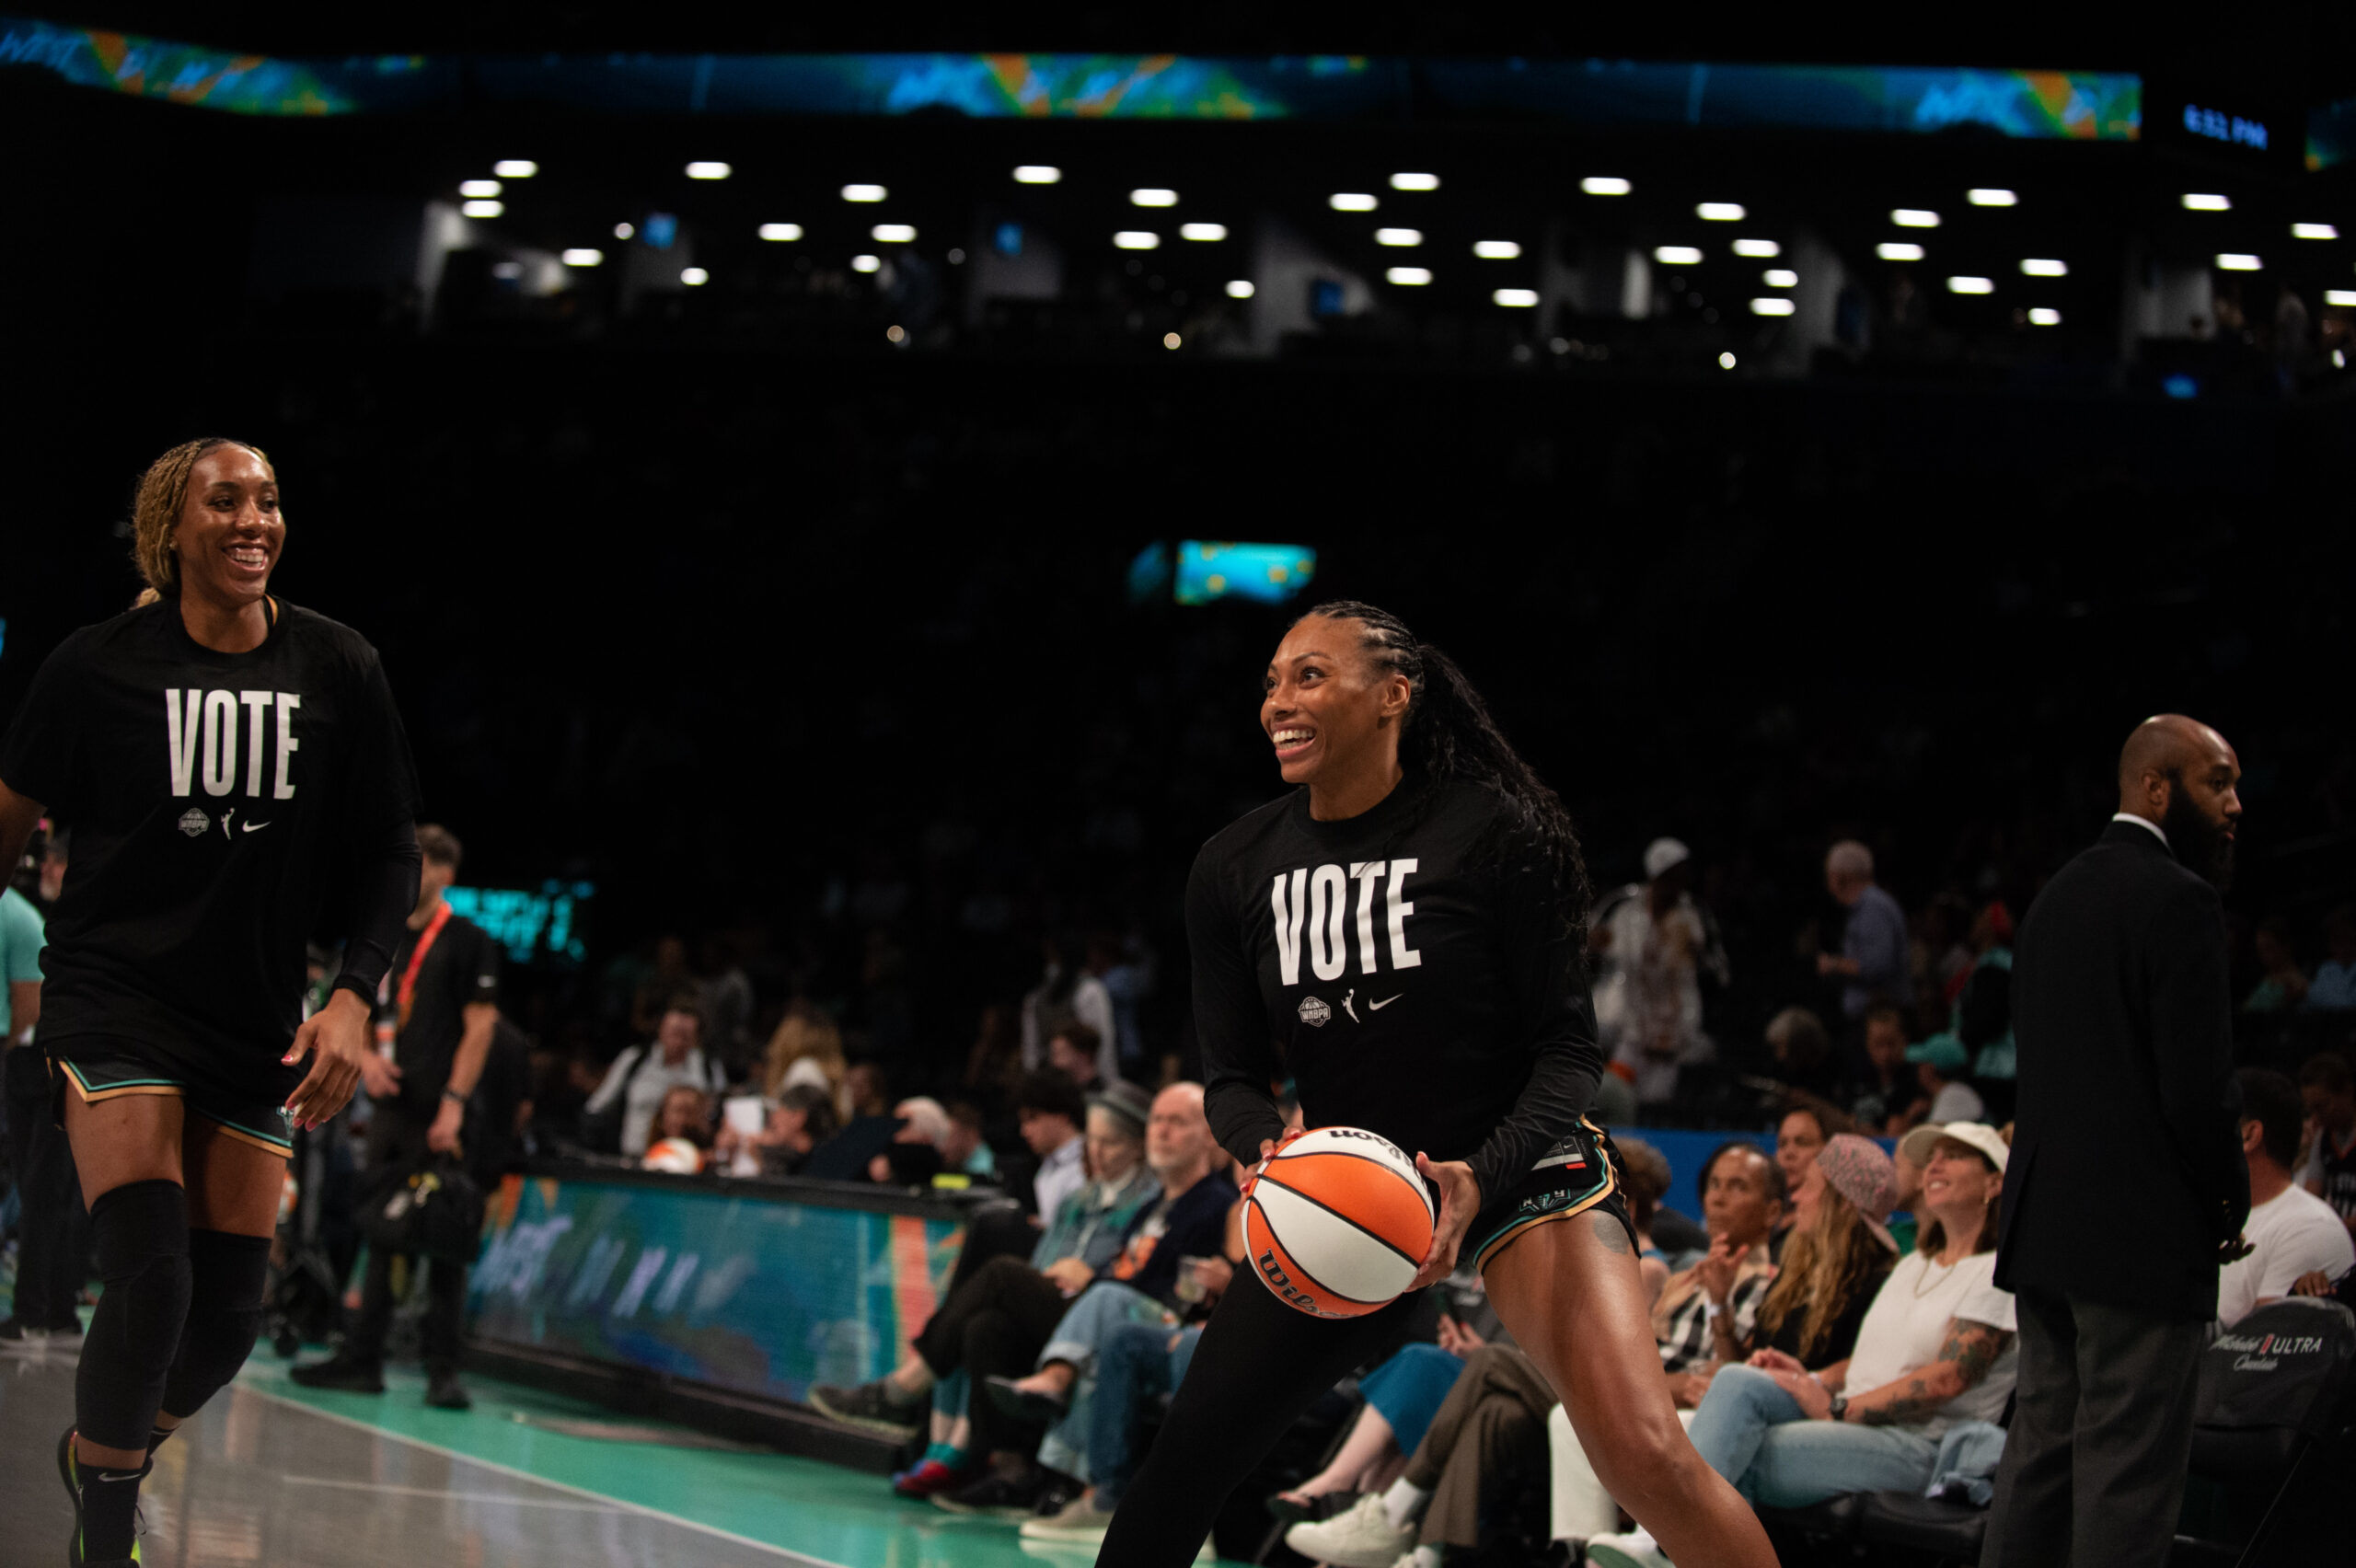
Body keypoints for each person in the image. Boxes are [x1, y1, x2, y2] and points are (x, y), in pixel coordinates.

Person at [1096, 601, 1778, 1568]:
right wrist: (1265, 1154)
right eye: (1271, 682)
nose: (1278, 703)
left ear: (1393, 697)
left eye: (1310, 676)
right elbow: (1234, 1077)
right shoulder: (1232, 866)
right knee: (1184, 1466)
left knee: (1646, 1455)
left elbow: (1569, 1053)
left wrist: (1479, 1174)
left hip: (1522, 1170)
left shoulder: (1492, 832)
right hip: (1351, 1193)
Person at [0, 437, 421, 1566]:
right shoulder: (92, 668)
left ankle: (103, 1452)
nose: (255, 519)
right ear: (168, 531)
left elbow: (390, 851)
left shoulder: (339, 668)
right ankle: (103, 1535)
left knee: (227, 1322)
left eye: (270, 500)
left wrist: (351, 1000)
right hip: (113, 996)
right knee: (151, 1275)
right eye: (225, 500)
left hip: (250, 1016)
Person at [1982, 715, 2251, 1568]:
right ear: (2155, 787)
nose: (2236, 803)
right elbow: (2196, 1090)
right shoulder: (2181, 900)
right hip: (2138, 1241)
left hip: (2046, 1233)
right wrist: (2225, 1199)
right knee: (2127, 1476)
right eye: (2219, 782)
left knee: (2040, 1458)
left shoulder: (2053, 899)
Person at [1587, 1124, 2016, 1568]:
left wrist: (1839, 1407)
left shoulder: (1995, 1274)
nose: (1937, 1164)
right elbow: (1869, 1361)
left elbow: (1948, 1378)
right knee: (1740, 1380)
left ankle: (1662, 1547)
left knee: (1736, 1455)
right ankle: (1657, 1545)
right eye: (1934, 1156)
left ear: (1995, 1181)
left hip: (1922, 1444)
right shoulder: (1914, 1266)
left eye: (1957, 1155)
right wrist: (1804, 1378)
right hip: (1855, 1421)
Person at [810, 1083, 1160, 1495]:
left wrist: (1090, 1273)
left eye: (1111, 1143)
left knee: (999, 1273)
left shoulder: (1149, 1201)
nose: (1098, 1153)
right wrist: (1047, 1275)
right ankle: (996, 1468)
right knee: (984, 1324)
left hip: (1094, 1313)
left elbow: (1138, 1269)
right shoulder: (1077, 1200)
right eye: (1095, 1142)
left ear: (1138, 1146)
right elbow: (1039, 1264)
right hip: (1049, 1302)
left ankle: (901, 1391)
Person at [292, 824, 499, 1409]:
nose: (419, 873)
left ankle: (443, 1371)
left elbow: (481, 1029)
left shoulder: (467, 941)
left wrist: (455, 1105)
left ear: (446, 873)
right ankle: (363, 1359)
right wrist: (372, 1058)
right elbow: (360, 1010)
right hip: (390, 1110)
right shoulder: (385, 940)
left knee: (445, 1238)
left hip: (442, 1112)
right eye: (414, 861)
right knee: (379, 1233)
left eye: (429, 863)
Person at [1547, 1144, 1787, 1551]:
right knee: (1567, 1416)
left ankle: (1650, 1550)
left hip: (1706, 1415)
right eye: (1714, 1184)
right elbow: (1638, 1361)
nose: (1718, 1196)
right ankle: (1582, 1553)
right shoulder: (1681, 1278)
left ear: (1771, 1212)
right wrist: (1673, 1384)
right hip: (1653, 1396)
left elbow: (1732, 1379)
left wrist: (1719, 1305)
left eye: (1738, 1186)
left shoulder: (1776, 1286)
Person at [1590, 837, 1725, 1113]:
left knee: (1656, 1106)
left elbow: (1718, 971)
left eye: (1683, 876)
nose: (1679, 884)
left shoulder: (1694, 916)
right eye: (1671, 877)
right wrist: (1595, 945)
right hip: (1629, 1029)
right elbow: (1598, 957)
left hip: (1672, 1036)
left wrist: (1698, 955)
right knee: (1617, 1099)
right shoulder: (1624, 908)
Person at [2216, 1068, 2353, 1326]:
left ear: (2249, 1135)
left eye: (2215, 1123)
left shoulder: (2308, 1226)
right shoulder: (2210, 1216)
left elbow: (2263, 1353)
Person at [583, 998, 723, 1157]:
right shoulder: (635, 1059)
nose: (678, 1042)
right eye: (674, 1033)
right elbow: (597, 1108)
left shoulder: (708, 1068)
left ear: (696, 1038)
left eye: (685, 1036)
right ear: (661, 1030)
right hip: (633, 1159)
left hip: (689, 1165)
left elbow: (718, 1118)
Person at [1816, 839, 1911, 1024]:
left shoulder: (1873, 908)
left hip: (1881, 1018)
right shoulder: (1864, 908)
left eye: (1830, 875)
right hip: (1872, 1016)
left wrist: (1834, 964)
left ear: (1841, 877)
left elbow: (1877, 966)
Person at [1021, 932, 1118, 1084]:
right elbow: (1031, 1051)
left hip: (1084, 1080)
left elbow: (1103, 1045)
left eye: (1053, 957)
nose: (1050, 963)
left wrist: (1107, 1084)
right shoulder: (1036, 998)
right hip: (1051, 1084)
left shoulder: (1089, 990)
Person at [711, 1081, 838, 1178]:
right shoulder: (784, 1157)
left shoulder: (822, 1167)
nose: (773, 1119)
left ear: (797, 1117)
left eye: (779, 1111)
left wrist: (758, 1162)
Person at [1015, 1069, 1089, 1226]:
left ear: (1063, 1117)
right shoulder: (1046, 1166)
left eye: (1032, 1119)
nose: (1024, 1131)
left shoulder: (1089, 1163)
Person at [2298, 1053, 2356, 1235]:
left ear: (2348, 1092)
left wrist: (2328, 1232)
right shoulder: (2323, 1138)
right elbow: (2310, 1199)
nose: (2316, 1117)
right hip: (2340, 1245)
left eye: (2322, 1106)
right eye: (2311, 1110)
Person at [1847, 1004, 1920, 1134]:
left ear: (1904, 1040)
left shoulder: (1919, 1079)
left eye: (1891, 1043)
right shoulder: (1853, 1076)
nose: (1885, 1053)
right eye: (1878, 1044)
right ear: (1867, 1043)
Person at [1905, 1033, 1985, 1125]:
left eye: (1920, 1065)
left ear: (1929, 1069)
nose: (1917, 1071)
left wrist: (1908, 1121)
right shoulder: (1949, 1093)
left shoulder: (1955, 1094)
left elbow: (1932, 1136)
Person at [2302, 905, 2356, 1011]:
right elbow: (2307, 1007)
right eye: (2337, 941)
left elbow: (2349, 1006)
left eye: (2349, 939)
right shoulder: (2327, 969)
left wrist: (2308, 992)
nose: (2344, 948)